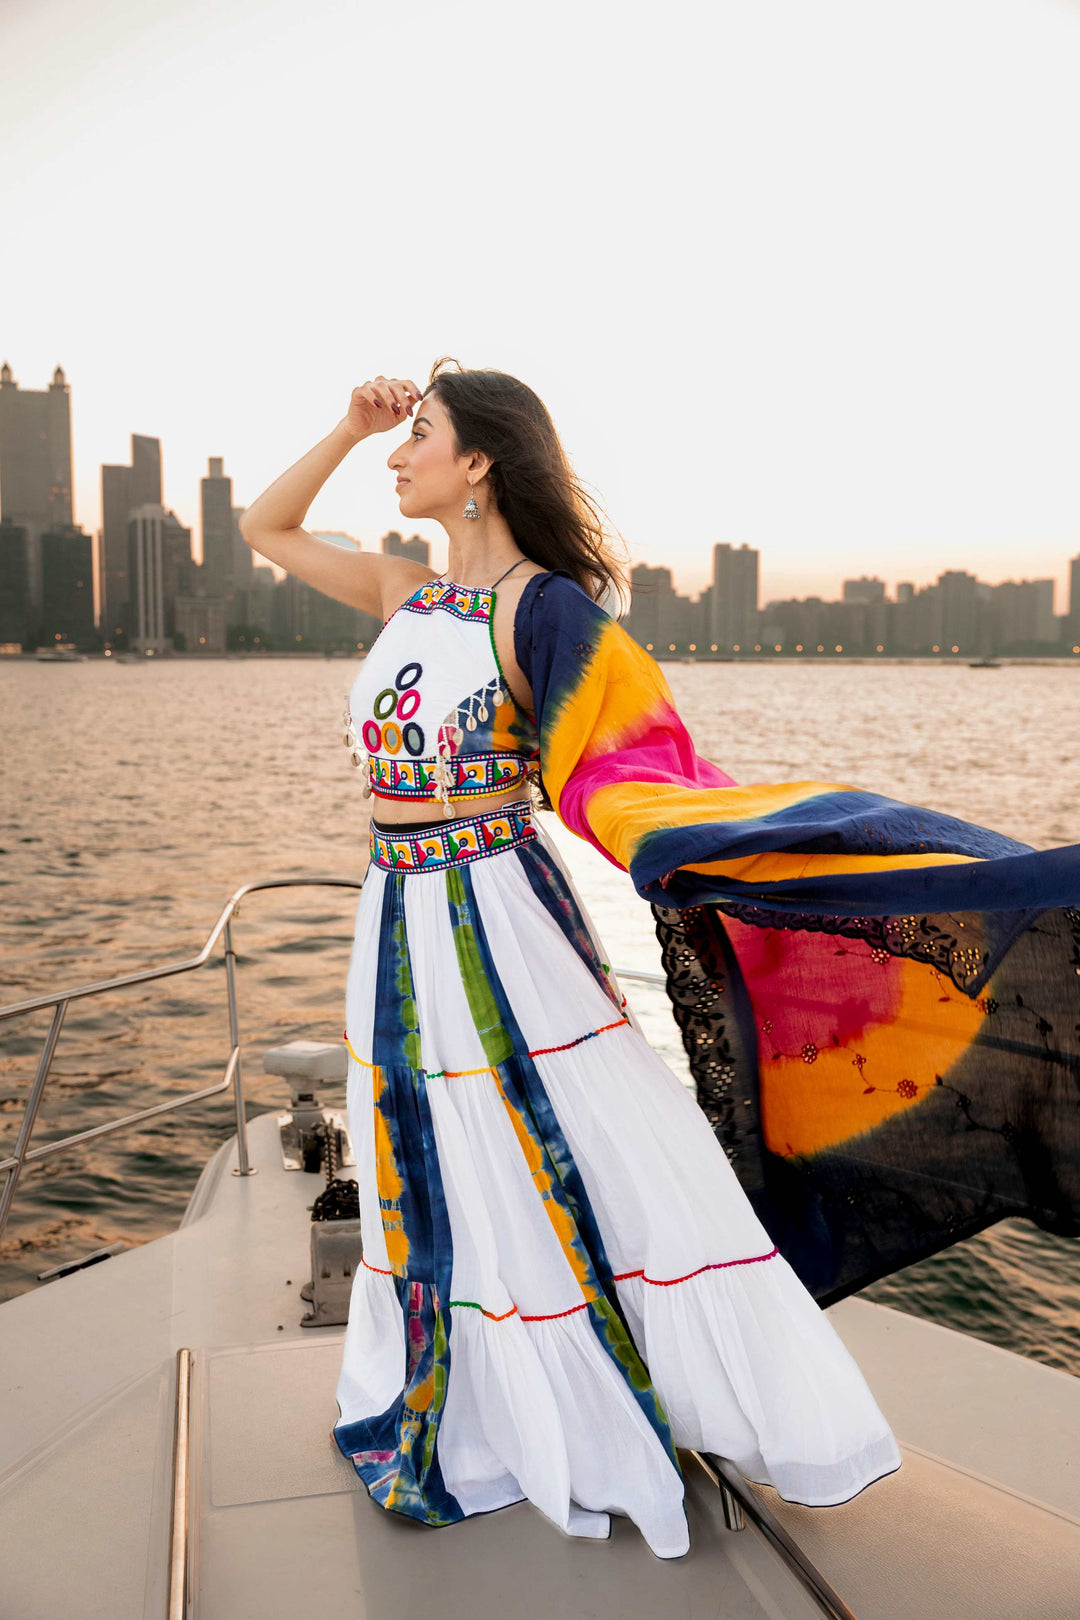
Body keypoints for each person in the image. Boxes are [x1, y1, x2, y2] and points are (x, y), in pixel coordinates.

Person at [239, 359, 909, 1560]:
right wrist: (348, 424)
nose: (399, 456)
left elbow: (639, 766)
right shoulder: (406, 594)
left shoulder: (542, 612)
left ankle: (633, 1394)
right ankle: (476, 1394)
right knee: (431, 1152)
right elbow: (265, 525)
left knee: (574, 1134)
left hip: (497, 909)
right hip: (397, 914)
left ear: (480, 462)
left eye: (419, 435)